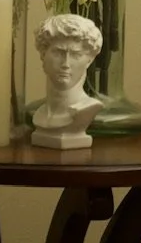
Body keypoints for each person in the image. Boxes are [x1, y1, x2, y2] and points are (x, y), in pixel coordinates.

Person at [32, 14, 103, 148]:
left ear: (89, 60)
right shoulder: (38, 114)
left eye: (76, 55)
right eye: (58, 53)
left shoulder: (87, 109)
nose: (66, 63)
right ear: (43, 54)